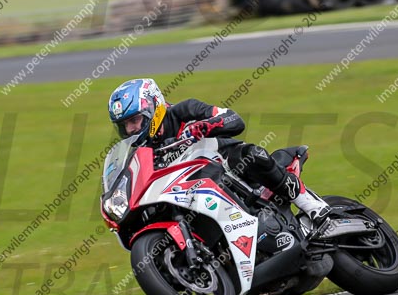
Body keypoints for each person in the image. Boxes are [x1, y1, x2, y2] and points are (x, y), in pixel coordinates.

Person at [107, 78, 332, 229]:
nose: (132, 129)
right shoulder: (143, 152)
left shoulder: (185, 110)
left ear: (153, 107)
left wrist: (207, 126)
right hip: (190, 192)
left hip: (227, 167)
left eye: (135, 120)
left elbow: (234, 119)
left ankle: (310, 204)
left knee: (249, 155)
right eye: (125, 125)